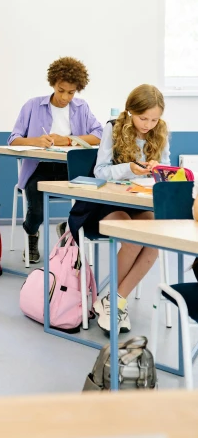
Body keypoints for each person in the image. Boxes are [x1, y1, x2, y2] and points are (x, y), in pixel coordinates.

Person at [68, 84, 170, 334]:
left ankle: (113, 301)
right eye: (143, 118)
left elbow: (167, 170)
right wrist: (129, 168)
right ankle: (114, 305)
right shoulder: (113, 127)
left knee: (154, 242)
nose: (148, 124)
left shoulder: (161, 131)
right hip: (105, 203)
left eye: (154, 119)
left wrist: (159, 170)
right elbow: (99, 172)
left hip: (137, 199)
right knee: (133, 241)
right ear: (130, 111)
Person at [8, 57, 102, 263]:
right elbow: (13, 139)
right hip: (39, 168)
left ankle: (68, 227)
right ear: (53, 83)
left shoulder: (81, 107)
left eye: (71, 92)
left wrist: (68, 140)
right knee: (38, 210)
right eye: (61, 90)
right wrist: (37, 140)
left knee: (90, 200)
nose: (65, 97)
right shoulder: (32, 106)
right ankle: (32, 232)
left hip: (71, 169)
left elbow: (99, 135)